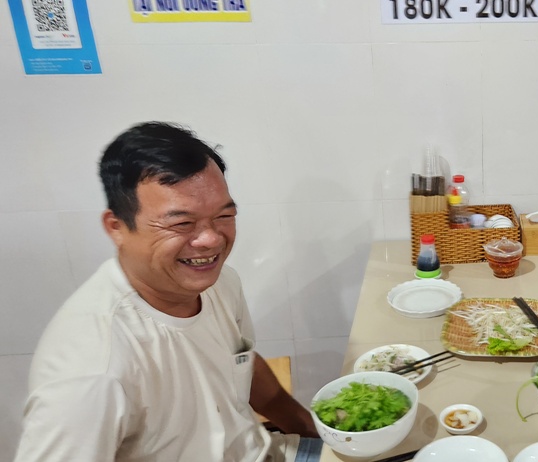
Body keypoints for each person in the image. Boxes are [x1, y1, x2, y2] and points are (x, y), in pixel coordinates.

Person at [15, 122, 322, 462]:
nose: (211, 239)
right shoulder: (92, 369)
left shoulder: (220, 282)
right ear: (117, 227)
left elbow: (243, 365)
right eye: (181, 223)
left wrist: (318, 435)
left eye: (224, 215)